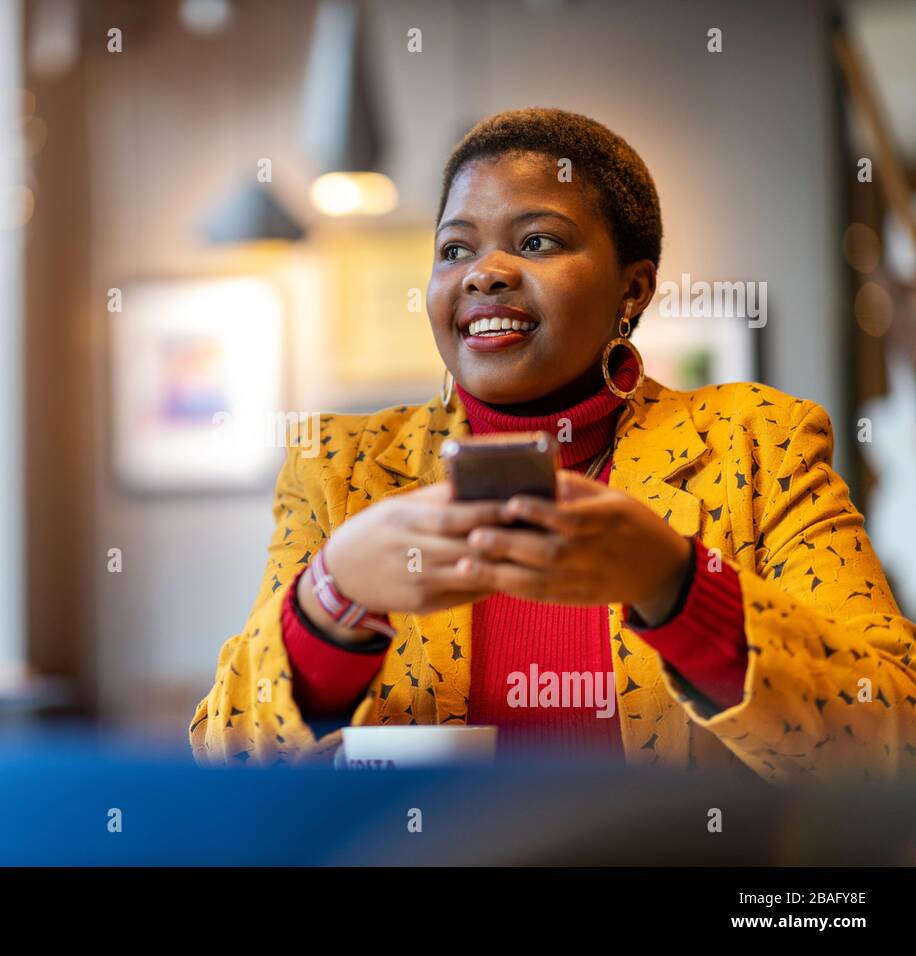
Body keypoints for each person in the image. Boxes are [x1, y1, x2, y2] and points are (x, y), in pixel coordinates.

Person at [190, 108, 916, 784]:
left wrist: (679, 585)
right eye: (455, 249)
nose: (485, 271)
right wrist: (330, 601)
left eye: (537, 241)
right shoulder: (340, 470)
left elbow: (894, 741)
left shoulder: (756, 444)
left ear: (633, 290)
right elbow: (226, 769)